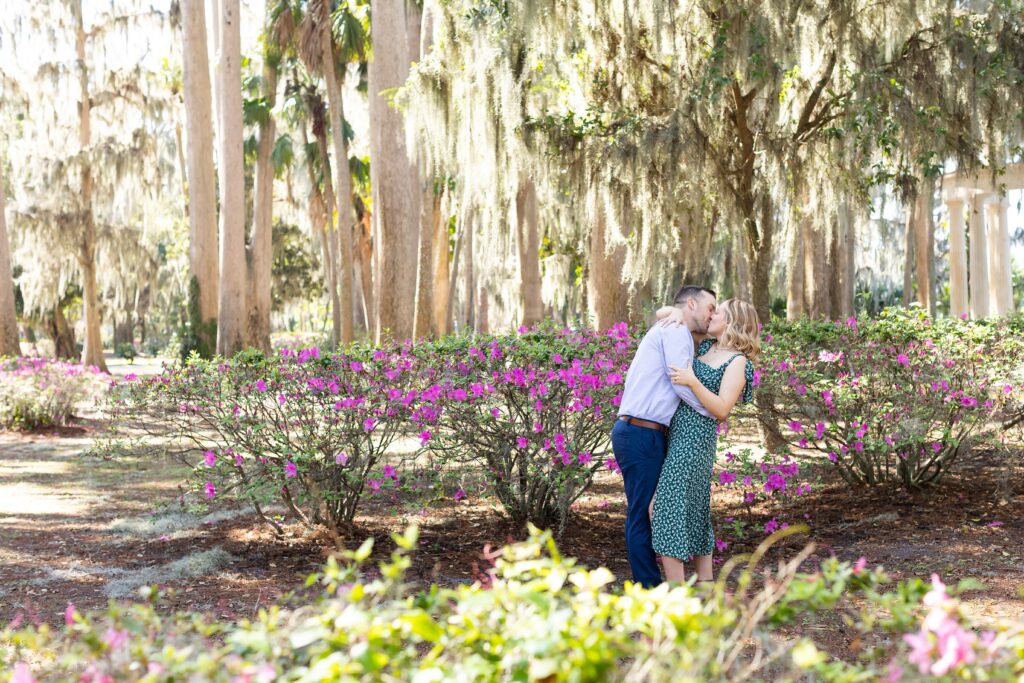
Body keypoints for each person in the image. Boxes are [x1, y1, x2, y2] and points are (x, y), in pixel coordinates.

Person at [610, 285, 717, 587]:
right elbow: (681, 383)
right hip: (639, 431)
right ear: (692, 304)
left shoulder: (675, 326)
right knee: (642, 513)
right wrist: (712, 410)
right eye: (710, 308)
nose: (712, 315)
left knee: (651, 508)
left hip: (649, 433)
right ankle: (649, 589)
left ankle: (655, 588)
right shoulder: (675, 329)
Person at [651, 298, 761, 584]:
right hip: (675, 434)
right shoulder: (705, 347)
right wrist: (676, 311)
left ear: (732, 321)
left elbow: (723, 409)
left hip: (695, 439)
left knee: (663, 507)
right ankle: (705, 587)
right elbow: (664, 315)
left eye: (718, 312)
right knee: (694, 508)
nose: (711, 315)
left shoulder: (738, 362)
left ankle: (678, 593)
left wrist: (692, 381)